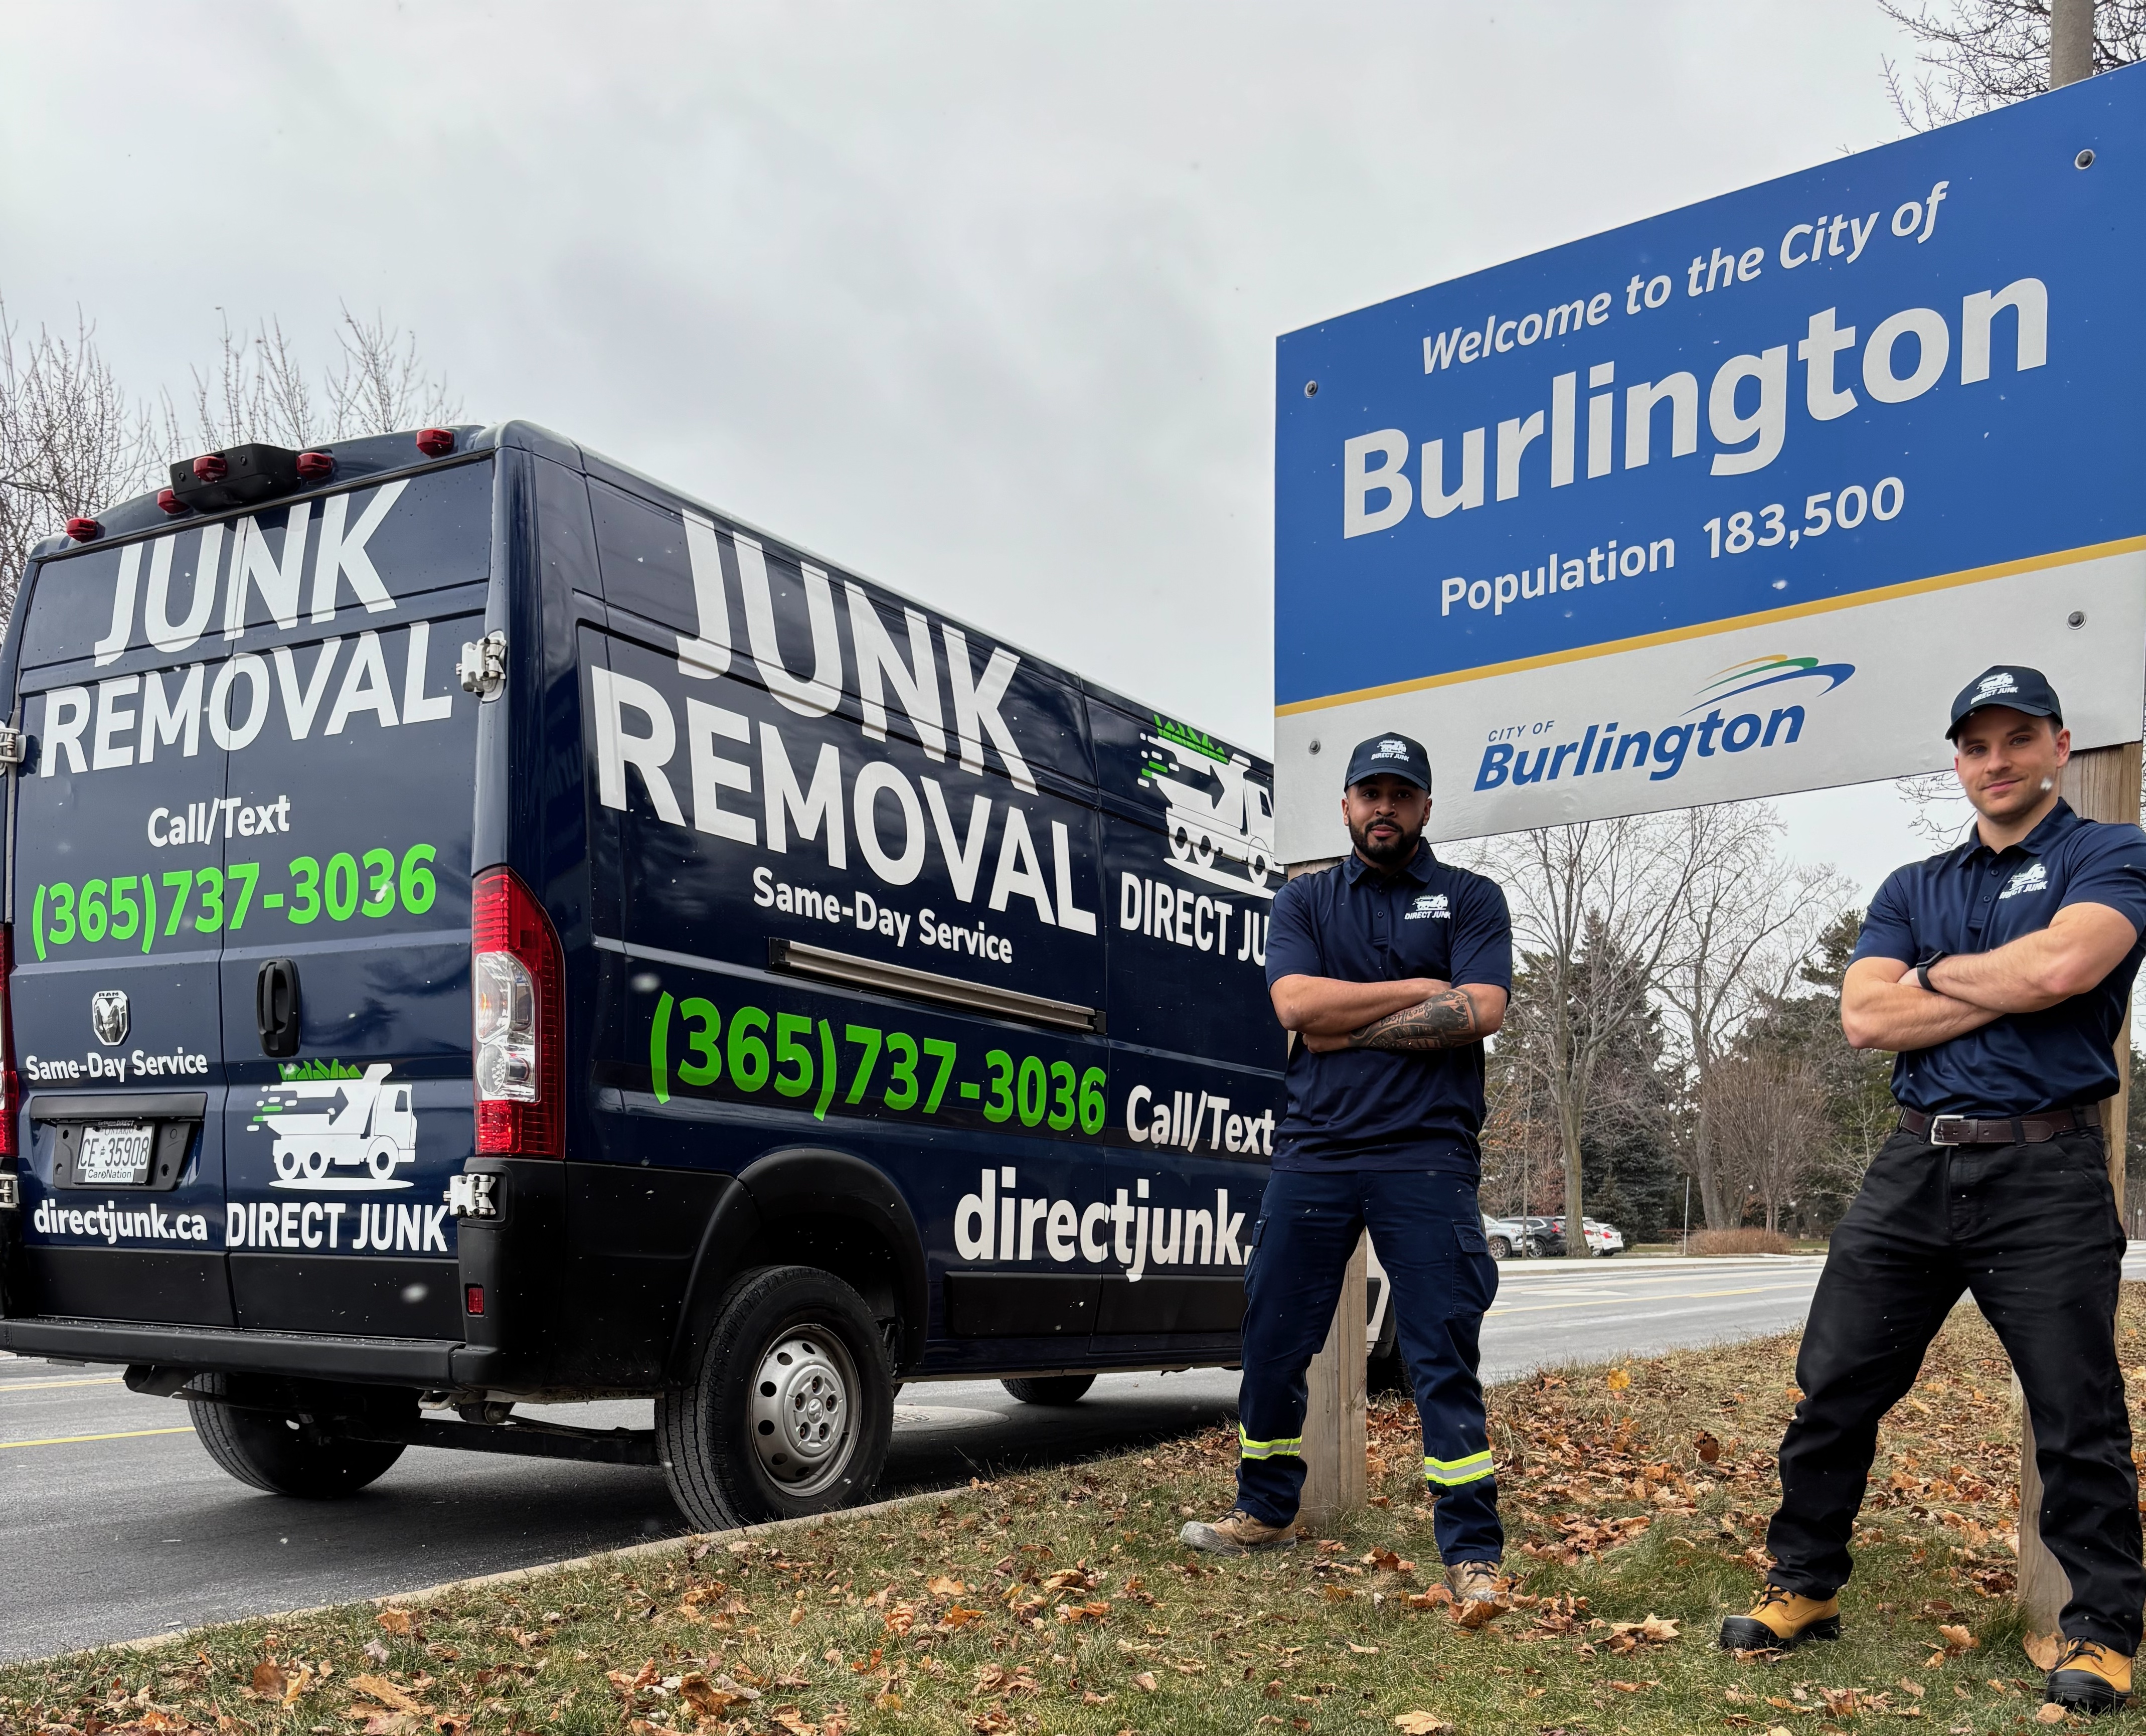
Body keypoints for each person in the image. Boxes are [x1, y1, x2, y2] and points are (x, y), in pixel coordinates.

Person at [1720, 667, 2146, 1716]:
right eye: (1974, 746)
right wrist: (2001, 970)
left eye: (2014, 741)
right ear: (1956, 760)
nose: (1993, 763)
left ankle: (2099, 1634)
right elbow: (1865, 1020)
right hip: (1913, 1163)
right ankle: (1805, 1587)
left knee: (2074, 1411)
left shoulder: (2110, 853)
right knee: (1834, 1389)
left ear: (2055, 746)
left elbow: (2064, 973)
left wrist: (1937, 975)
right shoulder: (1913, 884)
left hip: (2045, 1169)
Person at [1180, 731, 1512, 1605]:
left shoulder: (1471, 897)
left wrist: (1347, 1020)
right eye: (1371, 792)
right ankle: (1266, 1508)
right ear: (1346, 804)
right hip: (1316, 1149)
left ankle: (1472, 1550)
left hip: (1427, 1154)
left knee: (1440, 1350)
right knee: (1273, 1338)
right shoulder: (1306, 902)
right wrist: (1417, 988)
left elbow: (1480, 1008)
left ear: (1426, 807)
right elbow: (1295, 1005)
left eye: (1402, 794)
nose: (1385, 808)